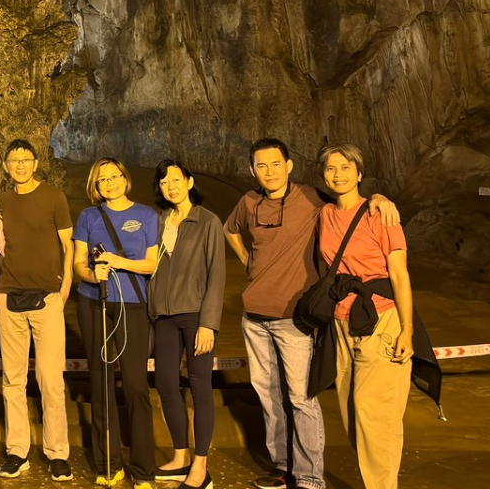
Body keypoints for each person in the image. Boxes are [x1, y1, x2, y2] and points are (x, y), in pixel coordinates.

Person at [224, 138, 399, 489]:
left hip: (295, 317)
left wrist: (379, 197)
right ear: (252, 170)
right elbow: (230, 231)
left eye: (276, 164)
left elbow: (347, 198)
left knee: (301, 398)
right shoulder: (248, 202)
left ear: (289, 166)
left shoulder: (311, 198)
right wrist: (249, 263)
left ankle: (309, 477)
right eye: (261, 165)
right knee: (268, 395)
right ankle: (282, 467)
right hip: (254, 318)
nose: (269, 171)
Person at [316, 144, 414, 489]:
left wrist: (407, 329)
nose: (338, 174)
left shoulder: (381, 215)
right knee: (352, 414)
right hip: (343, 323)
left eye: (346, 167)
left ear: (359, 173)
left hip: (381, 319)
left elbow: (399, 275)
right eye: (330, 169)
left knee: (376, 416)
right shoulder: (324, 213)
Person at [71, 158, 159, 489]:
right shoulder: (88, 217)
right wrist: (92, 273)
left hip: (133, 305)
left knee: (136, 385)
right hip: (95, 302)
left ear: (125, 179)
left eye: (113, 177)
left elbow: (151, 265)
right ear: (95, 186)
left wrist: (118, 261)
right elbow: (78, 264)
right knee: (102, 383)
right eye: (101, 179)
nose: (108, 183)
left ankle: (143, 470)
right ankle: (109, 464)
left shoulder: (147, 216)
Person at [0, 138, 75, 481]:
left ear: (35, 161)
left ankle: (57, 453)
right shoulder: (1, 201)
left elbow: (67, 245)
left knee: (50, 378)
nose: (20, 165)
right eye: (14, 160)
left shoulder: (54, 196)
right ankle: (17, 451)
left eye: (25, 159)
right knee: (12, 379)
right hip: (9, 297)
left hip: (47, 298)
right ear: (6, 166)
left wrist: (65, 286)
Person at [149, 159, 226, 489]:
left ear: (190, 182)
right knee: (166, 383)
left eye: (176, 179)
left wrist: (209, 323)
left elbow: (217, 276)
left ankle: (200, 465)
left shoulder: (207, 221)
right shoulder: (159, 222)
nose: (171, 186)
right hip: (163, 316)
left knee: (199, 385)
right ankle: (180, 456)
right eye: (165, 182)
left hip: (196, 315)